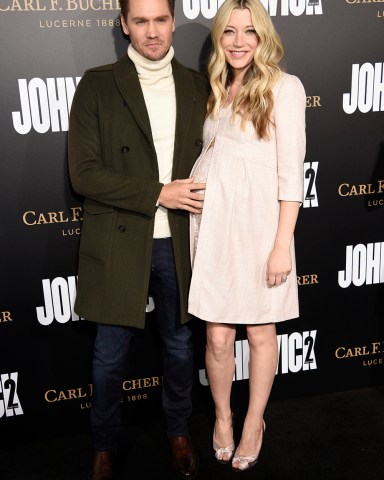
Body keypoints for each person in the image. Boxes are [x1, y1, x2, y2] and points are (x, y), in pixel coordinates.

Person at [68, 0, 209, 478]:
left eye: (161, 20)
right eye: (141, 21)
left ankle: (178, 431)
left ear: (173, 22)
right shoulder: (97, 83)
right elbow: (84, 174)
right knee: (109, 355)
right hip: (121, 241)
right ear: (124, 25)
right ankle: (104, 445)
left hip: (181, 243)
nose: (153, 32)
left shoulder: (197, 85)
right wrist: (157, 193)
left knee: (178, 346)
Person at [188, 0, 306, 473]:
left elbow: (291, 174)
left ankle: (254, 422)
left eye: (249, 31)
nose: (239, 41)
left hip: (260, 230)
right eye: (230, 32)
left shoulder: (284, 87)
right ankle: (222, 418)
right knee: (217, 337)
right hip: (214, 227)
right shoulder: (217, 88)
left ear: (264, 37)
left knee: (260, 331)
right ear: (219, 38)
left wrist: (282, 245)